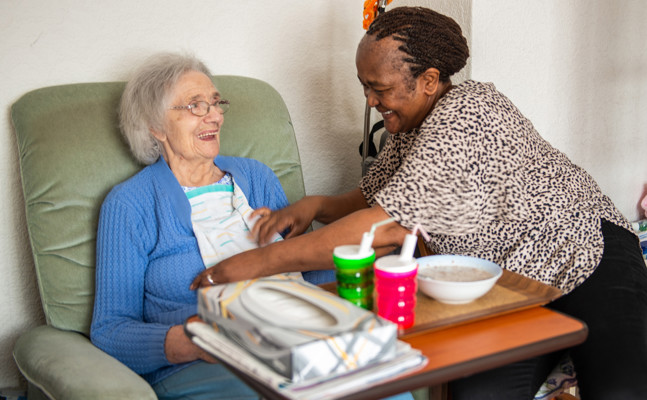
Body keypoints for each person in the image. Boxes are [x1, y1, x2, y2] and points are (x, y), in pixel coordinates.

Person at [192, 7, 647, 400]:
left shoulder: (468, 113)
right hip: (506, 284)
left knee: (622, 390)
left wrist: (249, 264)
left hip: (583, 248)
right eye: (364, 86)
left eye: (380, 88)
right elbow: (374, 198)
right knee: (479, 395)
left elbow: (382, 226)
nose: (370, 101)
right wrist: (316, 205)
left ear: (429, 80)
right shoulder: (411, 126)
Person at [90, 52, 332, 400]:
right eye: (196, 105)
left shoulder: (256, 177)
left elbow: (310, 267)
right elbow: (110, 329)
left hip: (299, 340)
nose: (215, 115)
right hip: (206, 367)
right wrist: (189, 342)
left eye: (216, 103)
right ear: (155, 126)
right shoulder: (130, 203)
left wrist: (349, 292)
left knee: (382, 385)